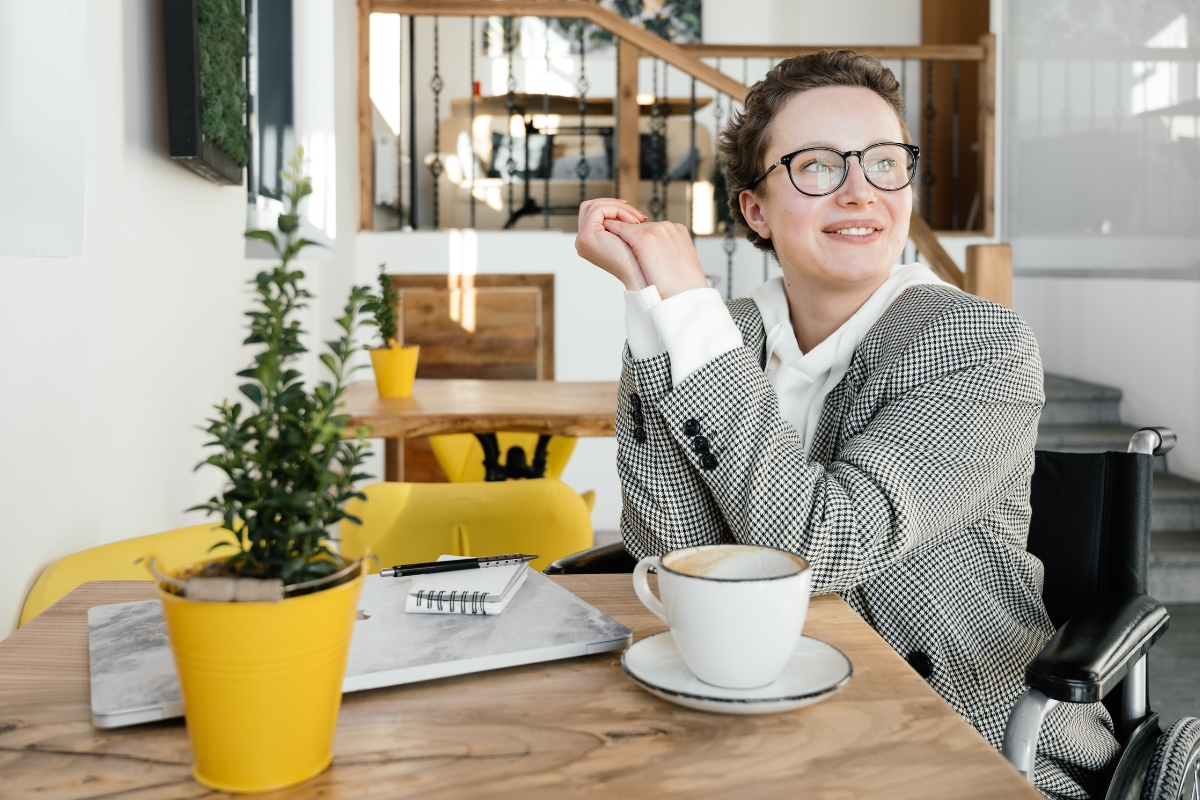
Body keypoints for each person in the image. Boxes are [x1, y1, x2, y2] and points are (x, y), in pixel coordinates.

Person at [574, 50, 1118, 800]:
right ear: (755, 210)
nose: (861, 191)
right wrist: (650, 307)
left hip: (951, 741)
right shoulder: (720, 335)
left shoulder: (980, 344)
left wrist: (687, 307)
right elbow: (672, 551)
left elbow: (820, 543)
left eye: (885, 162)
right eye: (818, 166)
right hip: (745, 732)